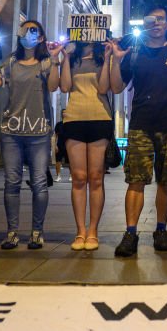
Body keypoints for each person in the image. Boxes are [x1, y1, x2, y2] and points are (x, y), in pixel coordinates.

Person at [110, 6, 167, 257]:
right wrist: (116, 60)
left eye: (160, 20)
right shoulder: (135, 54)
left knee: (166, 180)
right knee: (136, 180)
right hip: (141, 124)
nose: (156, 24)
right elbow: (117, 87)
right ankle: (130, 232)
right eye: (151, 20)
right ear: (145, 24)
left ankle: (161, 230)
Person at [0, 20, 61, 250]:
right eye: (24, 29)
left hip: (39, 131)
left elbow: (53, 87)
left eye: (33, 30)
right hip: (11, 131)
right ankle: (12, 232)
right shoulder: (10, 62)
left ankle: (36, 232)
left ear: (41, 37)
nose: (27, 33)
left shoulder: (46, 63)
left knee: (39, 183)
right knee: (12, 183)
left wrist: (56, 60)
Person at [59, 40, 118, 251]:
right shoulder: (71, 58)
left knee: (95, 177)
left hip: (99, 118)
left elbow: (104, 88)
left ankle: (92, 231)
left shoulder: (103, 58)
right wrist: (65, 57)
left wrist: (109, 56)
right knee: (78, 177)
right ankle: (80, 231)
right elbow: (65, 86)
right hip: (73, 119)